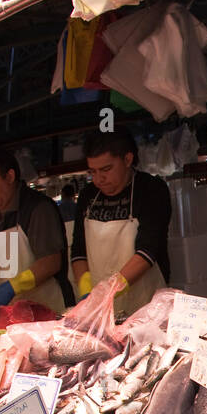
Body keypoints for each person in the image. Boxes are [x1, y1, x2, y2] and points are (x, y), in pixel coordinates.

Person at [70, 127, 172, 317]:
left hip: (145, 305)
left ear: (127, 159)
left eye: (106, 169)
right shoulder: (88, 195)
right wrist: (86, 290)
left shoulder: (151, 189)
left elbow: (148, 250)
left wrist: (109, 292)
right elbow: (78, 250)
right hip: (98, 309)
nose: (99, 179)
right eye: (93, 171)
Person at [0, 149, 71, 313]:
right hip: (6, 315)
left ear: (10, 177)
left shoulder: (39, 208)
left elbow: (51, 262)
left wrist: (12, 287)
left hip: (46, 311)